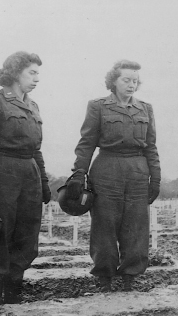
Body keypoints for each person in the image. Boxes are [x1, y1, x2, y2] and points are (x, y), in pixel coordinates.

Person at [67, 60, 161, 292]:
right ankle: (104, 276)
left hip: (138, 171)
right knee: (105, 224)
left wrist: (156, 178)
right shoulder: (98, 106)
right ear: (114, 81)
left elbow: (151, 146)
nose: (131, 85)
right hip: (107, 169)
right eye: (126, 80)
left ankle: (131, 277)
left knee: (136, 224)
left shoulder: (145, 109)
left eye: (135, 81)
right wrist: (79, 173)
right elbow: (86, 143)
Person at [0, 51, 51, 315]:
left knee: (26, 234)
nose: (37, 78)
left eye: (38, 73)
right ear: (15, 72)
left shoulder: (33, 106)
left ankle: (14, 299)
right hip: (3, 170)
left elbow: (36, 148)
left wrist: (43, 179)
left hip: (28, 173)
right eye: (32, 72)